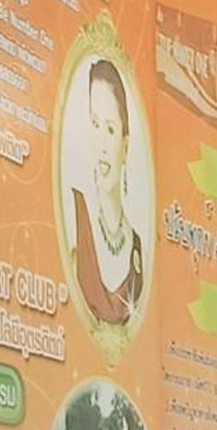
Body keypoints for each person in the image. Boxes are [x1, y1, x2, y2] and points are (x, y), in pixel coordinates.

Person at [71, 60, 144, 325]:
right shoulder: (75, 213)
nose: (101, 142)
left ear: (125, 146)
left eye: (110, 129)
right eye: (94, 124)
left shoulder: (138, 246)